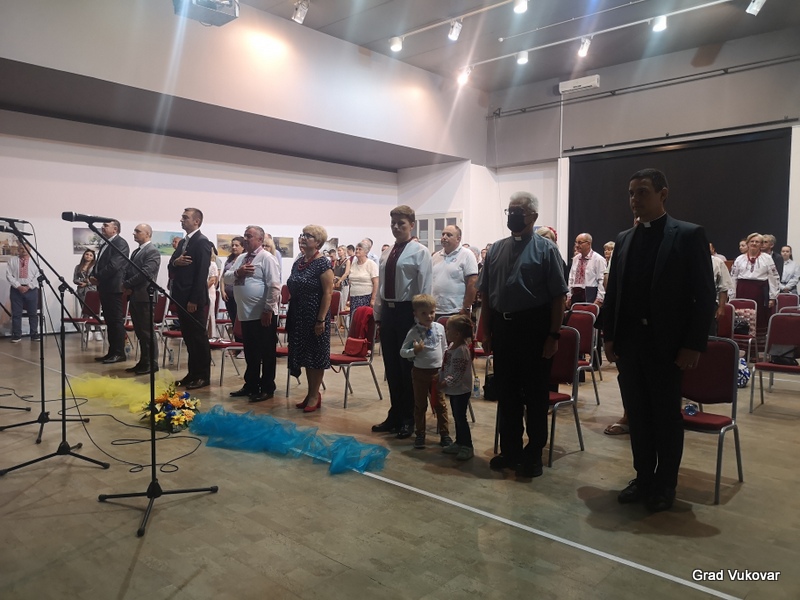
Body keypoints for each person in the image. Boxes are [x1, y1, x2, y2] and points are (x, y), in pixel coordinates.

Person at [603, 168, 715, 512]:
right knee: (637, 415)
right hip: (630, 344)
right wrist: (609, 336)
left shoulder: (688, 235)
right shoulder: (624, 239)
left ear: (663, 194)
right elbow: (614, 292)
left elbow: (704, 295)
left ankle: (665, 483)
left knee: (666, 418)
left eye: (643, 192)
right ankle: (643, 477)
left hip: (667, 346)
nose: (635, 199)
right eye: (631, 193)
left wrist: (693, 344)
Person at [479, 192, 568, 479]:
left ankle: (534, 453)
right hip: (503, 328)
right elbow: (486, 294)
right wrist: (486, 331)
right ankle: (510, 450)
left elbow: (558, 297)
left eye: (519, 211)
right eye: (510, 210)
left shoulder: (546, 250)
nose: (513, 215)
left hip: (534, 329)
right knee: (507, 392)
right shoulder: (496, 249)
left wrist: (553, 335)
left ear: (533, 216)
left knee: (535, 394)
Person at [372, 206, 433, 440]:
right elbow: (381, 287)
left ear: (412, 225)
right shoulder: (387, 253)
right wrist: (378, 315)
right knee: (391, 367)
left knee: (407, 367)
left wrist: (423, 319)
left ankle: (410, 418)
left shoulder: (420, 252)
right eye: (393, 223)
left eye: (401, 223)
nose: (396, 227)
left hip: (408, 312)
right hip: (389, 313)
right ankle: (395, 414)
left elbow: (425, 286)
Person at [225, 226, 281, 402]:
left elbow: (274, 286)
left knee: (266, 352)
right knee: (251, 352)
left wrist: (268, 309)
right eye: (245, 236)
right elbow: (226, 277)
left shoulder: (267, 258)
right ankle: (251, 385)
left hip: (263, 314)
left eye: (249, 236)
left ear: (260, 239)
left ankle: (267, 388)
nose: (245, 239)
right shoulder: (241, 258)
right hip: (245, 313)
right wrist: (238, 272)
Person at [286, 224, 333, 413]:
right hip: (298, 314)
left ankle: (314, 395)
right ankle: (310, 393)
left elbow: (328, 293)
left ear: (318, 242)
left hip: (315, 315)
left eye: (309, 236)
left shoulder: (323, 263)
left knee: (315, 355)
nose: (303, 238)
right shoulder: (299, 262)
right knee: (305, 355)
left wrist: (321, 319)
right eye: (303, 234)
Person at [168, 208, 213, 390]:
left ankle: (203, 376)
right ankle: (192, 373)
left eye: (185, 218)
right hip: (181, 297)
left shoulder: (202, 242)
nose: (182, 220)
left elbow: (202, 273)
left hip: (193, 300)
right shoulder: (183, 242)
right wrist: (175, 262)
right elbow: (171, 263)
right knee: (189, 338)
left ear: (196, 221)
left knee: (198, 339)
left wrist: (194, 299)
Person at [399, 294, 451, 449]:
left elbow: (444, 348)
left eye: (432, 312)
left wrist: (446, 367)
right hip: (420, 373)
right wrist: (414, 351)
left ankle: (445, 434)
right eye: (424, 313)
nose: (429, 316)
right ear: (415, 314)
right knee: (420, 405)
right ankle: (420, 434)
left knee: (440, 404)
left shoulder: (440, 328)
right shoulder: (413, 332)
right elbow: (402, 352)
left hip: (437, 372)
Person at [121, 223, 161, 375]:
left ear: (147, 234)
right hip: (135, 295)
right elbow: (129, 270)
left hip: (145, 296)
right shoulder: (136, 251)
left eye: (138, 231)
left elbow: (146, 273)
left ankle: (152, 362)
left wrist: (126, 284)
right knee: (139, 331)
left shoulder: (152, 251)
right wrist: (126, 283)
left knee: (147, 331)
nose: (134, 233)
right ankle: (143, 361)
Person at [90, 219, 130, 363]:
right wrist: (92, 275)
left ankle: (119, 353)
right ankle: (112, 351)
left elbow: (114, 265)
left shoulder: (120, 243)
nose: (102, 227)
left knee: (116, 321)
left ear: (115, 229)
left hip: (114, 288)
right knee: (110, 321)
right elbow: (98, 264)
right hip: (105, 287)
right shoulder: (105, 243)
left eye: (106, 225)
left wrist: (98, 277)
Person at [730, 232, 780, 345]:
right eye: (752, 241)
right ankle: (741, 346)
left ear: (761, 245)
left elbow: (774, 277)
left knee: (759, 318)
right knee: (742, 318)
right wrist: (732, 295)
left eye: (757, 242)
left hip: (760, 292)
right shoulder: (739, 259)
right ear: (747, 243)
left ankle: (758, 348)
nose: (754, 243)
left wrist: (772, 297)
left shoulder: (767, 258)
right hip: (742, 291)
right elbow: (733, 277)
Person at [440, 314, 475, 461]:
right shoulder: (451, 346)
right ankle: (459, 442)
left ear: (457, 333)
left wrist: (445, 382)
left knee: (461, 417)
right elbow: (447, 366)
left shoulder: (461, 350)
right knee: (456, 416)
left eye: (448, 329)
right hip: (454, 390)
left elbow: (458, 373)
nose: (446, 331)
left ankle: (467, 445)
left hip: (461, 390)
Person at [431, 225, 478, 320]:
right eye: (443, 234)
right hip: (435, 310)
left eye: (449, 235)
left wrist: (466, 307)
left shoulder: (467, 255)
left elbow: (473, 282)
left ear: (458, 239)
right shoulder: (435, 256)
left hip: (457, 310)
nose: (444, 237)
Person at [6, 244, 41, 342]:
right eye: (21, 248)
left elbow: (38, 276)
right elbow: (9, 275)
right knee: (16, 313)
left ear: (30, 249)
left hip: (31, 290)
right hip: (16, 290)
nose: (24, 250)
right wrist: (18, 286)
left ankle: (34, 334)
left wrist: (29, 286)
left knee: (33, 313)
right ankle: (17, 335)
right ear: (18, 250)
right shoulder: (12, 261)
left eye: (26, 248)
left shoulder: (35, 261)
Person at [567, 233, 606, 307]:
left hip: (590, 296)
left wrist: (599, 299)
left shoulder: (598, 259)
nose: (577, 245)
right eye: (576, 242)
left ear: (588, 244)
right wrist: (569, 296)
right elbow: (571, 278)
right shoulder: (576, 259)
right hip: (576, 296)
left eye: (580, 243)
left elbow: (602, 280)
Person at [73, 248, 101, 339]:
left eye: (90, 255)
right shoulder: (78, 267)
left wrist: (87, 283)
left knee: (95, 312)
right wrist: (81, 281)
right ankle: (88, 331)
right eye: (87, 254)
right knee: (85, 312)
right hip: (81, 291)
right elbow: (75, 279)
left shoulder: (95, 266)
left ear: (93, 257)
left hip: (92, 291)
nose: (88, 256)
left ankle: (97, 331)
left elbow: (96, 279)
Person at [220, 236, 244, 339]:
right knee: (233, 319)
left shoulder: (244, 259)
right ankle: (236, 342)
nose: (234, 247)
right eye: (232, 245)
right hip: (228, 295)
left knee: (240, 322)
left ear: (243, 247)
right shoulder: (229, 260)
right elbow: (223, 276)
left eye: (236, 245)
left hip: (239, 296)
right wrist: (222, 290)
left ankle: (242, 343)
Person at [347, 241, 378, 313]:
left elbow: (376, 283)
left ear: (366, 252)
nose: (357, 251)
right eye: (356, 249)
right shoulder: (353, 264)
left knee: (362, 318)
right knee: (354, 318)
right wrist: (349, 299)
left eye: (360, 249)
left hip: (366, 297)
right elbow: (351, 282)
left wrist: (373, 299)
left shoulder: (371, 264)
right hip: (353, 297)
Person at [711, 254, 734, 335]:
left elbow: (723, 288)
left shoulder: (717, 262)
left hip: (710, 305)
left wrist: (721, 307)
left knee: (709, 336)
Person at [333, 245, 352, 327]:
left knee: (343, 302)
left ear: (344, 251)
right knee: (337, 303)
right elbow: (334, 271)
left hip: (344, 283)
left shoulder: (347, 261)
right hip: (336, 281)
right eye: (338, 251)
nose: (339, 252)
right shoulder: (336, 261)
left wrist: (340, 280)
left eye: (340, 250)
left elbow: (347, 272)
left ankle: (344, 323)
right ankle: (338, 322)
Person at [207, 249, 220, 339]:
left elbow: (212, 280)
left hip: (209, 290)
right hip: (202, 290)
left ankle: (211, 335)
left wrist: (201, 289)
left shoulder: (213, 264)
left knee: (210, 313)